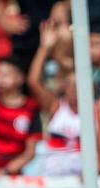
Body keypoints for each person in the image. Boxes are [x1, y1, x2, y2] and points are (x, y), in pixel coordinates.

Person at [28, 20, 82, 177]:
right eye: (70, 84)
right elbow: (33, 82)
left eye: (78, 84)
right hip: (53, 179)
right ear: (64, 86)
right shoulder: (56, 106)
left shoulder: (96, 111)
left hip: (82, 182)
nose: (74, 89)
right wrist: (45, 49)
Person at [0, 56, 42, 186]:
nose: (0, 79)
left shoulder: (31, 108)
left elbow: (30, 153)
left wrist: (2, 172)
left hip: (12, 180)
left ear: (20, 78)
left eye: (6, 75)